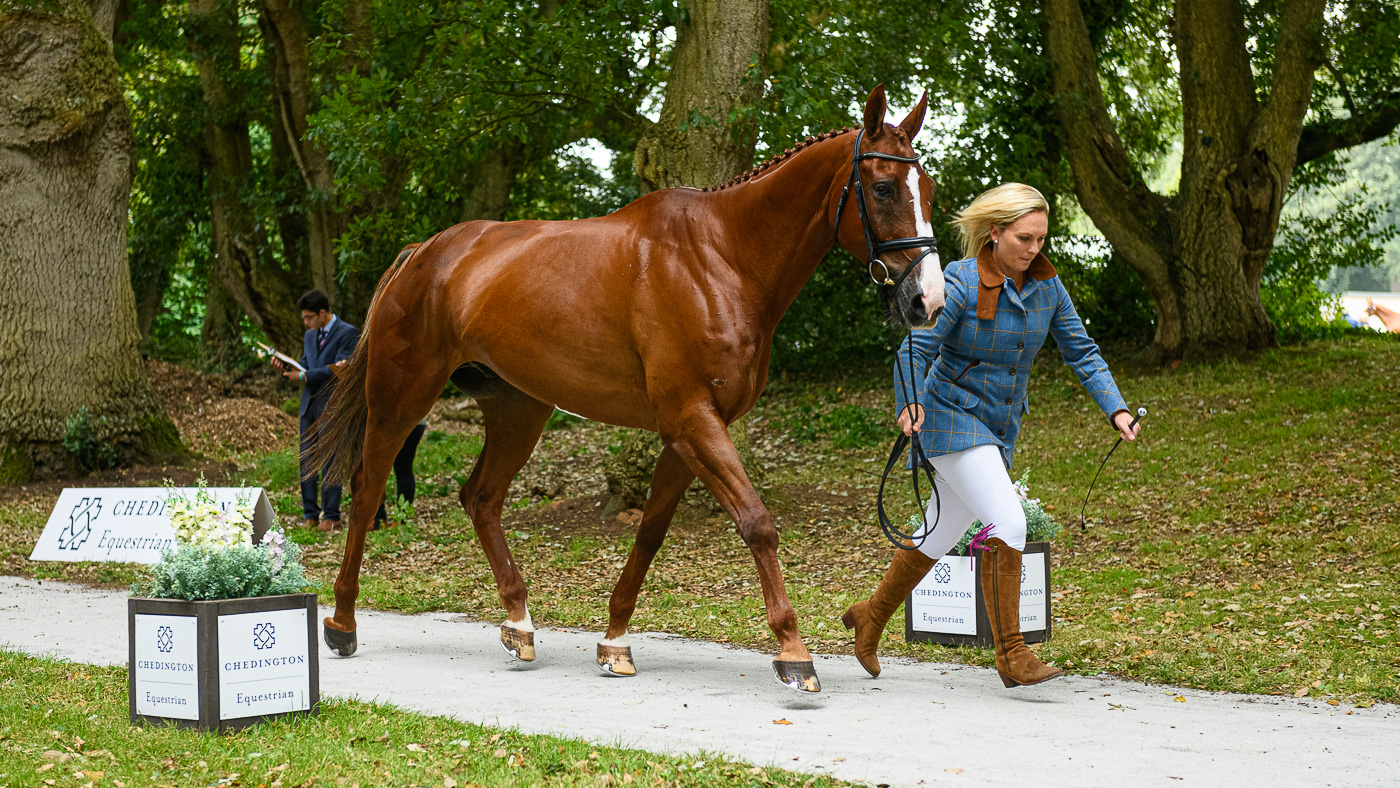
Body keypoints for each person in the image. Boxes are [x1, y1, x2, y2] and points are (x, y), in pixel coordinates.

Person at [842, 183, 1140, 688]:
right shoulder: (959, 282)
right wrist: (908, 401)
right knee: (1008, 519)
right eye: (1024, 238)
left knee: (940, 529)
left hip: (996, 427)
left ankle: (870, 617)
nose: (1034, 249)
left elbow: (1082, 352)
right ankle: (1011, 653)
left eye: (1042, 239)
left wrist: (1116, 408)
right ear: (995, 232)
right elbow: (914, 350)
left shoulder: (1048, 288)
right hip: (946, 415)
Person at [274, 290, 359, 532]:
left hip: (332, 406)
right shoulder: (309, 335)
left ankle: (331, 515)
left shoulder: (348, 333)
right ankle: (310, 514)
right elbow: (305, 362)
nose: (305, 322)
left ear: (323, 313)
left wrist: (303, 375)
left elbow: (339, 369)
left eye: (309, 317)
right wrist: (288, 365)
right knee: (307, 461)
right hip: (308, 405)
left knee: (331, 461)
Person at [374, 417, 427, 529]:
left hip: (394, 420)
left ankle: (379, 520)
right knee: (404, 468)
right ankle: (400, 519)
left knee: (378, 468)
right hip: (417, 421)